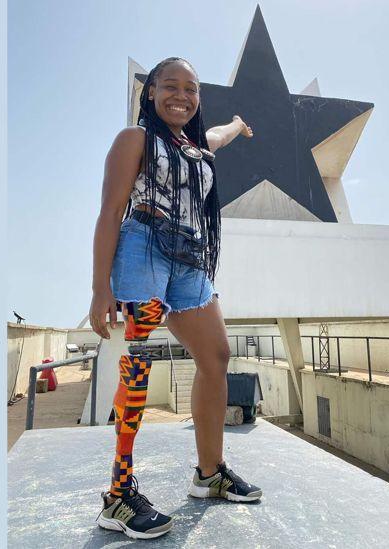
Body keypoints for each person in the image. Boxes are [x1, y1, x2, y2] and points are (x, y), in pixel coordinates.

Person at [89, 57, 261, 540]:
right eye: (170, 86)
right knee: (138, 366)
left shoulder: (197, 146)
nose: (181, 96)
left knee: (217, 356)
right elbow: (109, 210)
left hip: (191, 258)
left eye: (191, 89)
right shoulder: (135, 140)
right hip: (144, 245)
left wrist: (239, 125)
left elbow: (220, 135)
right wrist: (100, 286)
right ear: (150, 92)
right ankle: (118, 496)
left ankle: (210, 474)